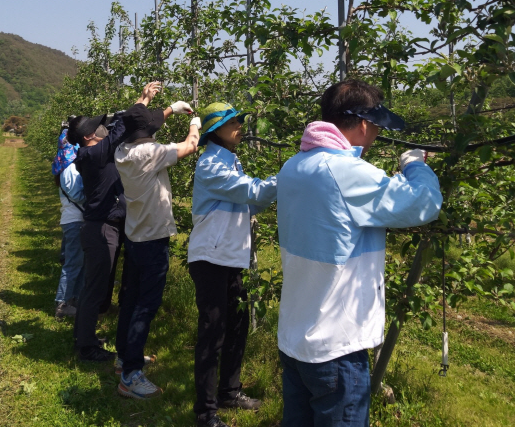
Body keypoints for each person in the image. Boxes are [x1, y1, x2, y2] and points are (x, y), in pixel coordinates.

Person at [276, 79, 443, 426]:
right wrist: (415, 166)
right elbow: (423, 204)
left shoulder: (294, 166)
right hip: (335, 347)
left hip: (295, 338)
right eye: (378, 126)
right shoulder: (346, 172)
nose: (379, 134)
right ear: (365, 124)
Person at [186, 103, 277, 427]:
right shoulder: (211, 164)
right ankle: (206, 412)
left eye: (239, 119)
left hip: (231, 256)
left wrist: (272, 190)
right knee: (213, 333)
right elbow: (251, 191)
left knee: (236, 327)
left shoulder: (231, 161)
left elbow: (253, 200)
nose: (239, 124)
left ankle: (229, 390)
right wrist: (289, 175)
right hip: (211, 258)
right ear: (215, 130)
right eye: (233, 121)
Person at [113, 88, 200, 399]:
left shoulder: (121, 150)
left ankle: (124, 356)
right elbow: (191, 145)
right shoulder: (152, 153)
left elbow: (138, 120)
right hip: (152, 239)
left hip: (135, 234)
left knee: (130, 299)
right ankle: (131, 376)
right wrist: (196, 123)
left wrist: (160, 105)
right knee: (145, 306)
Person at [68, 82, 160, 362]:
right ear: (88, 137)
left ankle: (87, 336)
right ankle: (85, 346)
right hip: (101, 229)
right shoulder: (91, 154)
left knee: (101, 286)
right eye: (98, 127)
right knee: (95, 287)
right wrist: (142, 101)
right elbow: (122, 128)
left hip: (109, 227)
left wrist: (142, 101)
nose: (103, 128)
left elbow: (122, 124)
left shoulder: (100, 152)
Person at [51, 119, 85, 319]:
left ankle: (74, 299)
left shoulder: (67, 165)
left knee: (79, 262)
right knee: (72, 263)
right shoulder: (69, 168)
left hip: (74, 219)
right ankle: (62, 304)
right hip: (75, 220)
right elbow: (78, 195)